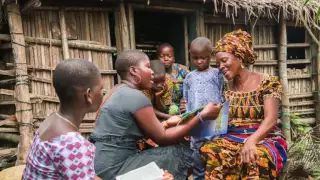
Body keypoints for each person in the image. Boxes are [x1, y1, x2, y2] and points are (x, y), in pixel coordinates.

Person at [89, 50, 222, 180]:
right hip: (114, 170)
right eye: (147, 67)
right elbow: (163, 139)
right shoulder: (136, 97)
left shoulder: (116, 91)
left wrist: (165, 123)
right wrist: (201, 116)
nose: (152, 71)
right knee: (182, 153)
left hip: (100, 166)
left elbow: (126, 133)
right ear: (134, 71)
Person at [200, 29, 288, 180]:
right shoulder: (226, 88)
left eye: (224, 60)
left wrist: (252, 140)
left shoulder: (267, 82)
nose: (220, 66)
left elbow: (271, 119)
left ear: (239, 57)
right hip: (233, 136)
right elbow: (222, 120)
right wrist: (194, 123)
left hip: (263, 137)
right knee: (211, 151)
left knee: (256, 157)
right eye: (218, 63)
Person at [22, 59, 104, 180]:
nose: (102, 93)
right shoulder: (73, 144)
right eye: (101, 89)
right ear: (89, 95)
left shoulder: (51, 120)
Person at [182, 37, 224, 180]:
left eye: (203, 58)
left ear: (211, 55)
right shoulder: (189, 77)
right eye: (195, 58)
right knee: (197, 159)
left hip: (215, 127)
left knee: (215, 158)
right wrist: (187, 125)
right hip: (196, 126)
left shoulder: (217, 74)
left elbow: (223, 97)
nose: (199, 61)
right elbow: (187, 102)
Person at [157, 43, 189, 115]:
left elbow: (193, 81)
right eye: (162, 56)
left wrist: (177, 81)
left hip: (182, 105)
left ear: (174, 58)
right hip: (163, 108)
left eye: (169, 56)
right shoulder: (154, 73)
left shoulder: (182, 69)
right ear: (157, 59)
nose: (166, 59)